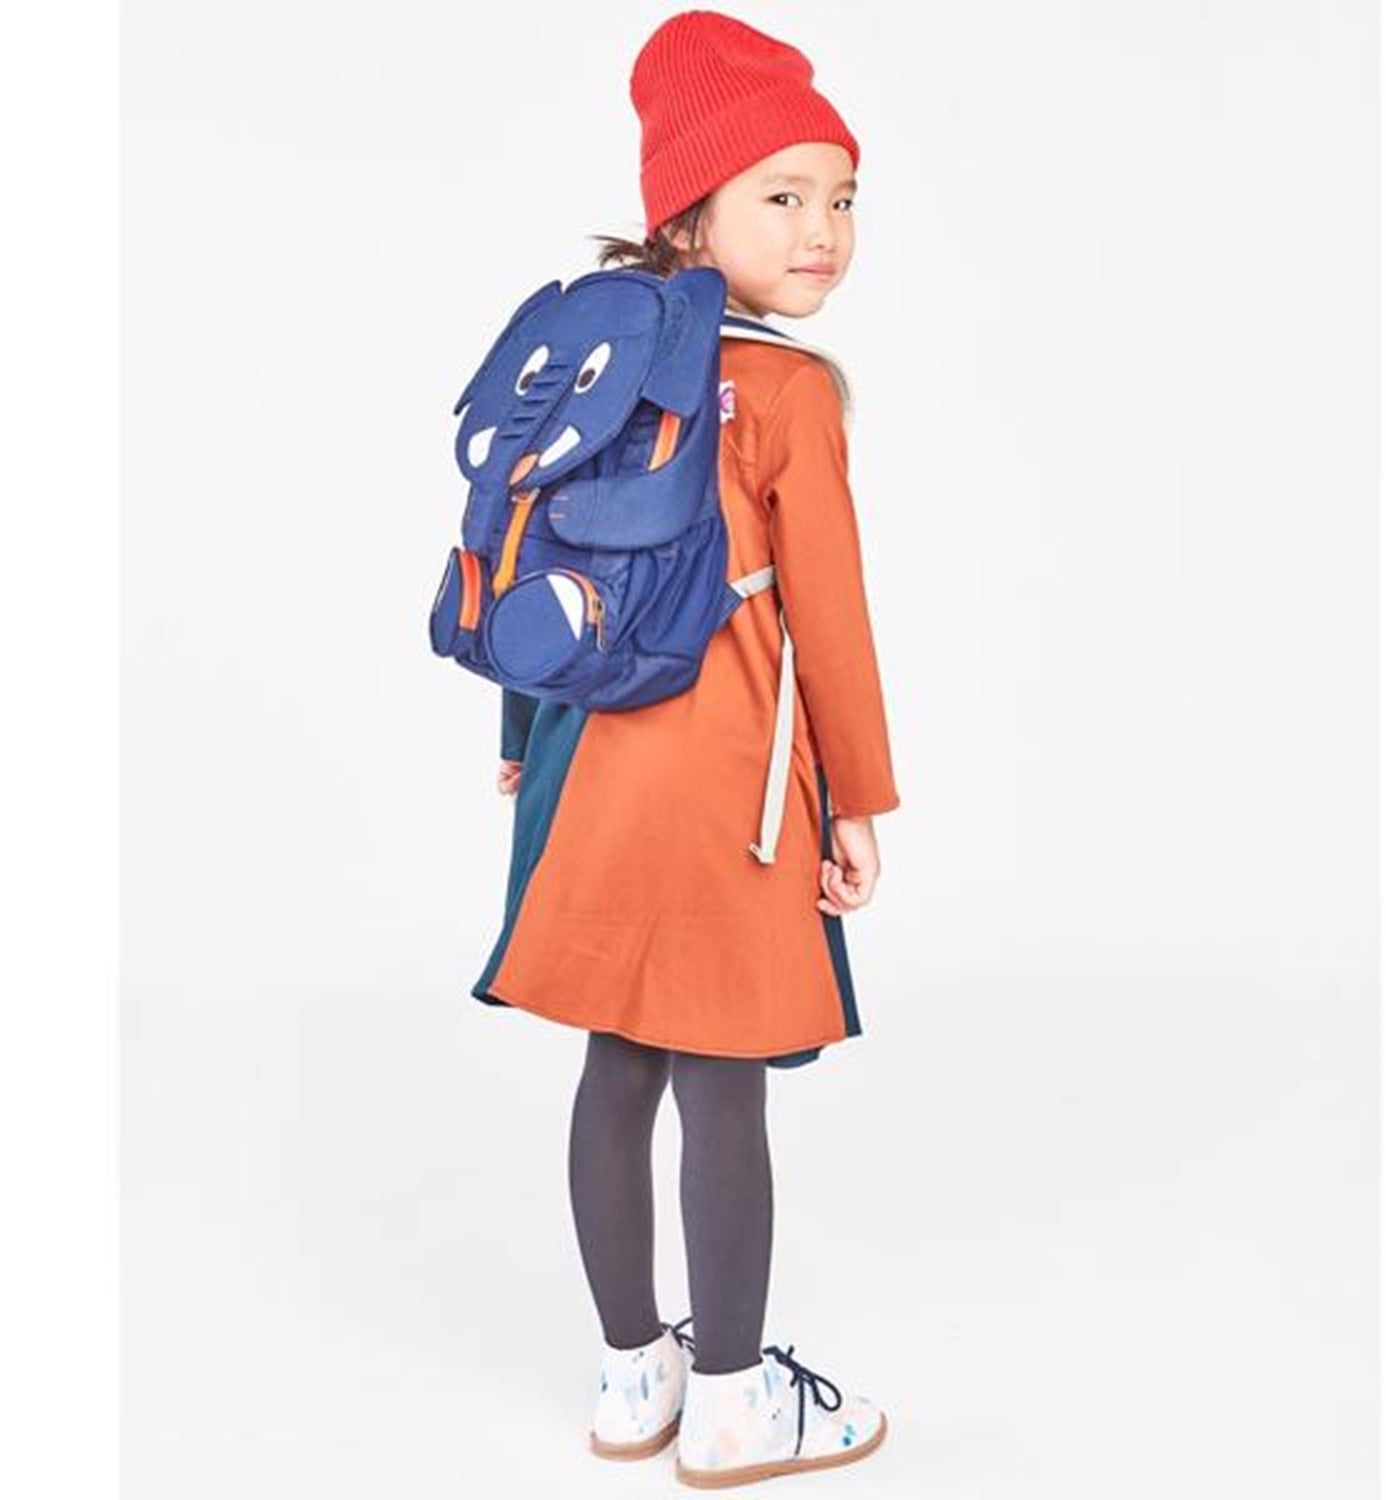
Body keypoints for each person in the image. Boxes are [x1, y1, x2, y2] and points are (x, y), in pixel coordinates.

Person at [473, 10, 899, 1485]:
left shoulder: (596, 358)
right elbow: (828, 618)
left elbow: (531, 548)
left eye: (842, 197)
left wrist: (520, 732)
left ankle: (626, 1383)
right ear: (690, 215)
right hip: (734, 778)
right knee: (725, 1076)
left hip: (589, 763)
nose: (823, 230)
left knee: (619, 1058)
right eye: (783, 195)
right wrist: (857, 802)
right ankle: (731, 1405)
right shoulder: (788, 391)